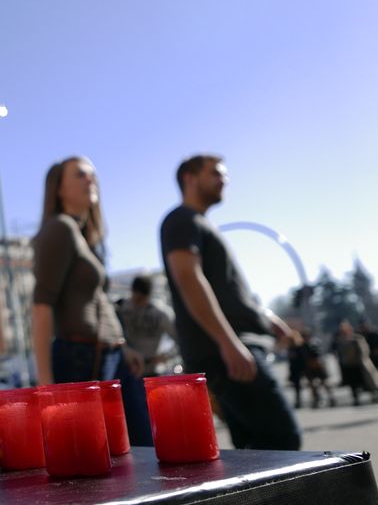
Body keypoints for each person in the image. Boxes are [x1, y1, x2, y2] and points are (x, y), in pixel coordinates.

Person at [160, 154, 301, 450]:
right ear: (190, 178)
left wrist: (268, 318)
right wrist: (228, 342)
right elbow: (189, 279)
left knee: (255, 450)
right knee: (283, 440)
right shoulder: (181, 220)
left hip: (234, 347)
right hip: (228, 351)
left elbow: (228, 291)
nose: (224, 179)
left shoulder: (199, 224)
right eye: (215, 173)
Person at [31, 156, 153, 446]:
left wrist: (123, 347)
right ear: (59, 188)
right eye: (81, 174)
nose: (91, 179)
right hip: (80, 360)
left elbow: (99, 300)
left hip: (111, 356)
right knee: (106, 456)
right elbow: (41, 307)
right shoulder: (58, 228)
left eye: (93, 174)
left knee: (139, 449)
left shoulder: (84, 237)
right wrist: (46, 384)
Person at [117, 275, 178, 375]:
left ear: (149, 295)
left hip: (151, 368)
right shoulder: (121, 308)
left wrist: (166, 356)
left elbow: (179, 339)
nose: (138, 303)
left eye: (142, 299)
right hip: (127, 368)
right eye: (136, 298)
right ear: (131, 291)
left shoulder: (160, 313)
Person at [335, 320, 378, 405]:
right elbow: (339, 352)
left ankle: (374, 395)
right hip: (348, 366)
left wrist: (360, 359)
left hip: (359, 364)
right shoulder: (340, 340)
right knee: (352, 384)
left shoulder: (357, 338)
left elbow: (364, 350)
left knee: (367, 382)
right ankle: (355, 398)